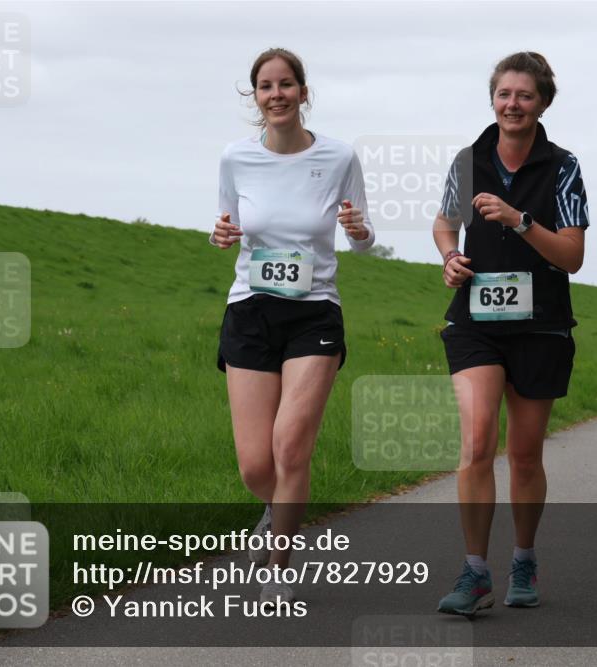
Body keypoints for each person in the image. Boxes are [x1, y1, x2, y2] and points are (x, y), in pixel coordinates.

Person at [211, 48, 374, 603]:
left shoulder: (338, 156)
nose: (276, 94)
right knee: (257, 466)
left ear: (304, 92)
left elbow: (364, 238)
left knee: (290, 448)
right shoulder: (235, 157)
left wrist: (358, 228)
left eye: (286, 84)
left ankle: (280, 564)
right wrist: (221, 236)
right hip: (251, 310)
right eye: (265, 86)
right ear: (255, 96)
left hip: (315, 312)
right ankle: (276, 508)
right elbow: (228, 224)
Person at [432, 51, 588, 615]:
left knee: (523, 455)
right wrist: (450, 255)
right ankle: (475, 572)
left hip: (540, 326)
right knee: (477, 442)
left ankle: (524, 557)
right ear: (492, 99)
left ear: (542, 102)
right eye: (504, 94)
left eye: (524, 95)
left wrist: (519, 220)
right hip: (475, 323)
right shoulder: (468, 160)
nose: (512, 104)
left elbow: (572, 256)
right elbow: (445, 220)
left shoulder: (563, 167)